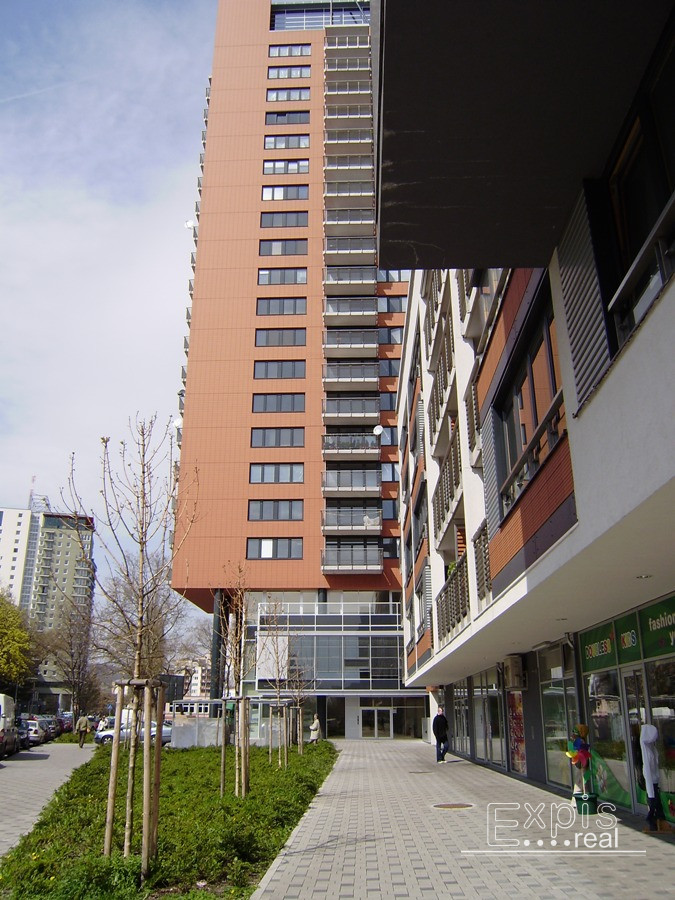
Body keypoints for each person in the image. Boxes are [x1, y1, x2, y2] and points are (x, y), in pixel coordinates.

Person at [641, 723, 673, 833]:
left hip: (654, 780)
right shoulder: (647, 750)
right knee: (653, 802)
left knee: (656, 802)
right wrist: (650, 787)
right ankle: (653, 822)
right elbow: (648, 769)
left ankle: (659, 822)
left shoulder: (650, 748)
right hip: (651, 781)